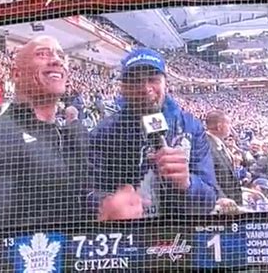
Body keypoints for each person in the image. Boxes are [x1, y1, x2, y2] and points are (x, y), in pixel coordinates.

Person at [0, 36, 88, 234]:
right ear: (17, 74)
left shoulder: (62, 134)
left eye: (61, 56)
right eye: (43, 54)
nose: (57, 61)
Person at [89, 48, 218, 221]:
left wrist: (188, 183)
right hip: (129, 234)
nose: (145, 88)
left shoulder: (190, 127)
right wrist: (107, 203)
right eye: (136, 81)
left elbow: (209, 199)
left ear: (166, 83)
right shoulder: (103, 133)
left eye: (153, 79)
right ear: (123, 88)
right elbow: (87, 193)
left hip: (181, 231)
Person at [205, 110, 243, 206]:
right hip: (223, 205)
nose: (230, 127)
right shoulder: (206, 145)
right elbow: (208, 177)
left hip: (232, 200)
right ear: (219, 126)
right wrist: (221, 197)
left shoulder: (219, 143)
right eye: (228, 124)